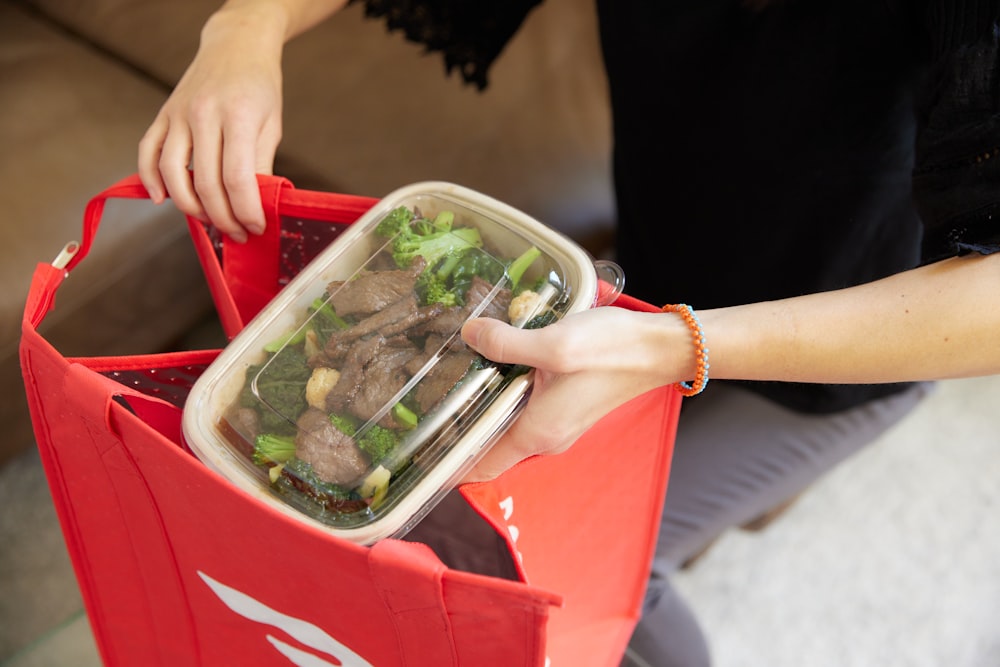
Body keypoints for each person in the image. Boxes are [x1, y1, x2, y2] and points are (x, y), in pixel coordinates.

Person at [138, 1, 1000, 664]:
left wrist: (674, 346)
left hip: (824, 359)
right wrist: (242, 30)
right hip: (655, 275)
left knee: (576, 572)